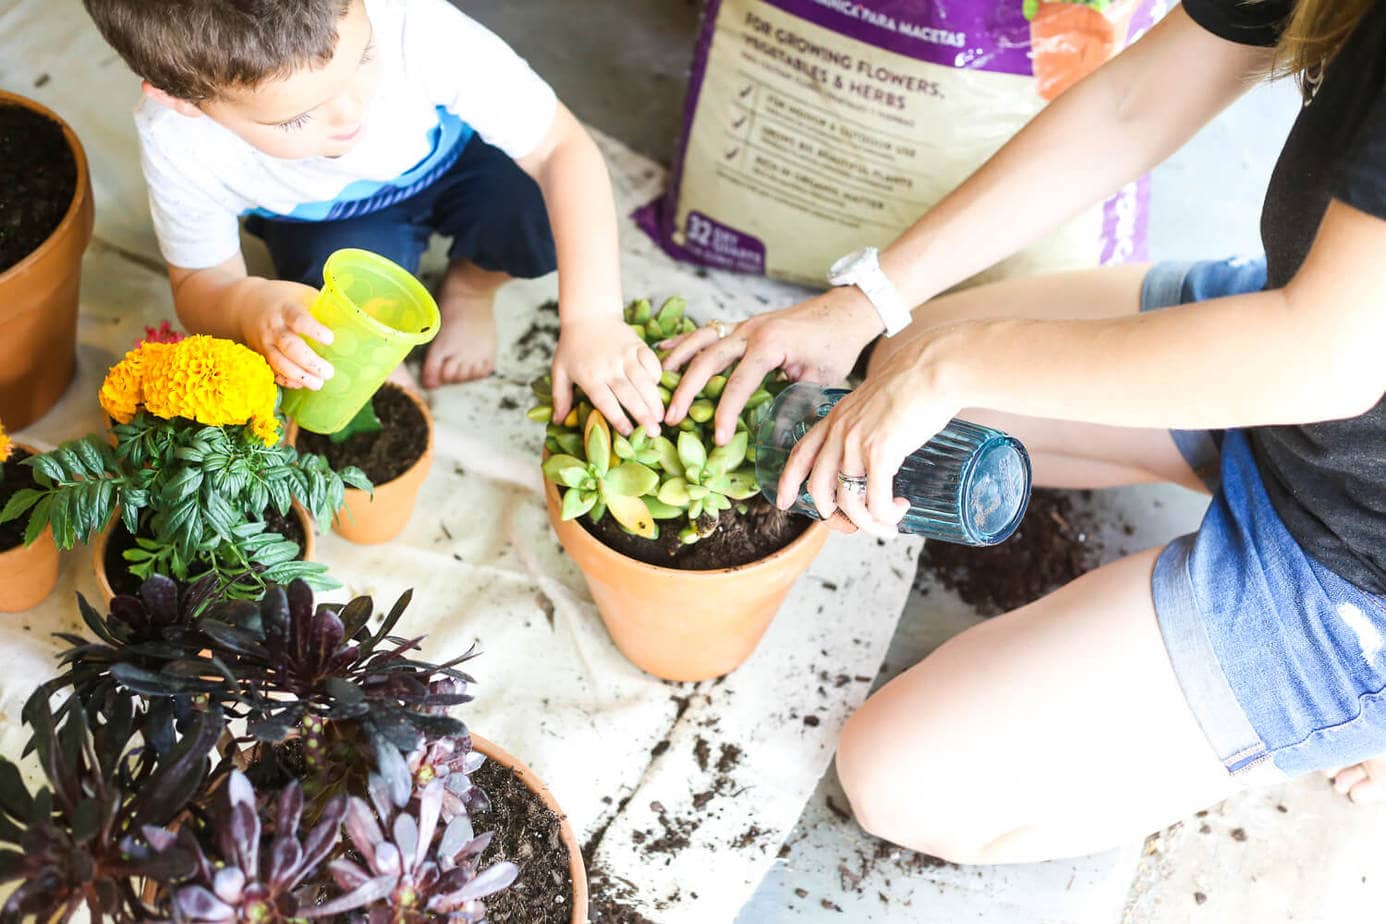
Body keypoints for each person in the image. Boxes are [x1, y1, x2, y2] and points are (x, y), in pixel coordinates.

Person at [662, 0, 1386, 863]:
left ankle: (1327, 714)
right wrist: (867, 303)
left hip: (1354, 541)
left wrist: (953, 369)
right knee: (895, 355)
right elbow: (1135, 101)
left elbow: (1323, 359)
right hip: (1305, 352)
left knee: (898, 778)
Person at [83, 0, 663, 434]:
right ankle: (380, 350)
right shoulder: (179, 140)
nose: (352, 112)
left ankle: (473, 286)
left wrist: (591, 319)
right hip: (326, 222)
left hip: (455, 160)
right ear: (183, 100)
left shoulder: (409, 20)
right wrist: (252, 305)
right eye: (294, 119)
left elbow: (560, 148)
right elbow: (200, 283)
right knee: (319, 314)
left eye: (362, 58)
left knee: (541, 215)